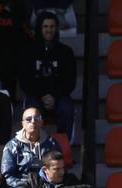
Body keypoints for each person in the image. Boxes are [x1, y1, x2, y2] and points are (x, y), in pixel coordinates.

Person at [19, 12, 75, 142]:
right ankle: (34, 150)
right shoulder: (28, 51)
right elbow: (25, 81)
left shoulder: (66, 52)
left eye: (52, 26)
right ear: (40, 28)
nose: (49, 30)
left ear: (56, 29)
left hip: (59, 96)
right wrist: (43, 96)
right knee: (32, 113)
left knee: (67, 109)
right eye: (45, 26)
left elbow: (70, 82)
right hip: (36, 96)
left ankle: (62, 148)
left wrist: (53, 96)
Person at [0, 106, 60, 188]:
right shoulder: (11, 146)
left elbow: (59, 170)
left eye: (37, 118)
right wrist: (26, 187)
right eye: (28, 119)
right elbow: (7, 176)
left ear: (42, 122)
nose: (33, 121)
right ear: (23, 124)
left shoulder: (51, 144)